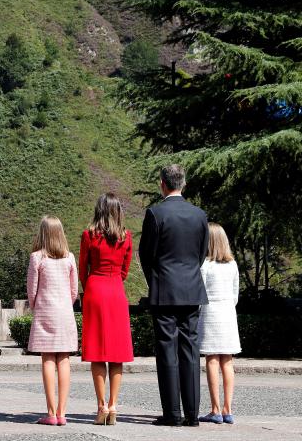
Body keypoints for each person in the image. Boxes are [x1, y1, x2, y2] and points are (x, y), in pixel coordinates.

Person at [139, 164, 209, 427]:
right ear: (184, 184)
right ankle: (192, 415)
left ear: (162, 184)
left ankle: (172, 413)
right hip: (192, 290)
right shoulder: (199, 215)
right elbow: (201, 254)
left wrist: (156, 279)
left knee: (167, 351)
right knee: (190, 351)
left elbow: (146, 254)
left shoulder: (155, 214)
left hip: (165, 290)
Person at [79, 193, 134, 426]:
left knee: (97, 352)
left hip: (95, 289)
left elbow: (83, 268)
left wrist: (88, 286)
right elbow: (125, 270)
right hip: (116, 291)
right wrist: (114, 279)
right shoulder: (126, 237)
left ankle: (100, 405)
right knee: (117, 353)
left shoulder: (88, 235)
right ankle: (113, 405)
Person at [27, 215, 79, 426]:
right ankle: (63, 412)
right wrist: (66, 303)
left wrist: (35, 306)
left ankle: (51, 413)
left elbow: (32, 290)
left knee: (48, 358)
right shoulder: (70, 258)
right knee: (64, 359)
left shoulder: (37, 258)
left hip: (45, 311)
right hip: (65, 312)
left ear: (43, 233)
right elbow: (74, 290)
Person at [198, 223, 241, 425]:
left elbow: (201, 293)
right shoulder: (232, 265)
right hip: (228, 313)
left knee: (212, 360)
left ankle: (215, 409)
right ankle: (228, 409)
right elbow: (235, 295)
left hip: (210, 312)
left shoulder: (205, 265)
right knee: (228, 361)